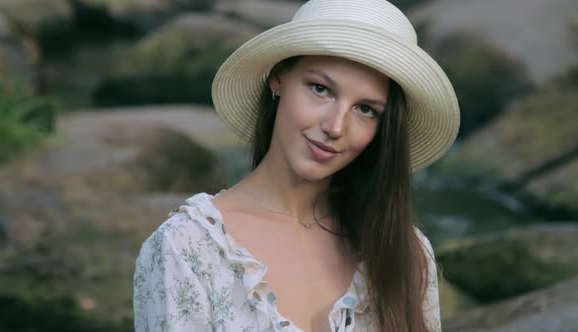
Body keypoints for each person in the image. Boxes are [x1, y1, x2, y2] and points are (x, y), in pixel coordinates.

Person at [133, 0, 459, 331]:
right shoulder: (188, 247)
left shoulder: (405, 251)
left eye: (365, 109)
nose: (335, 126)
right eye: (321, 89)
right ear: (278, 80)